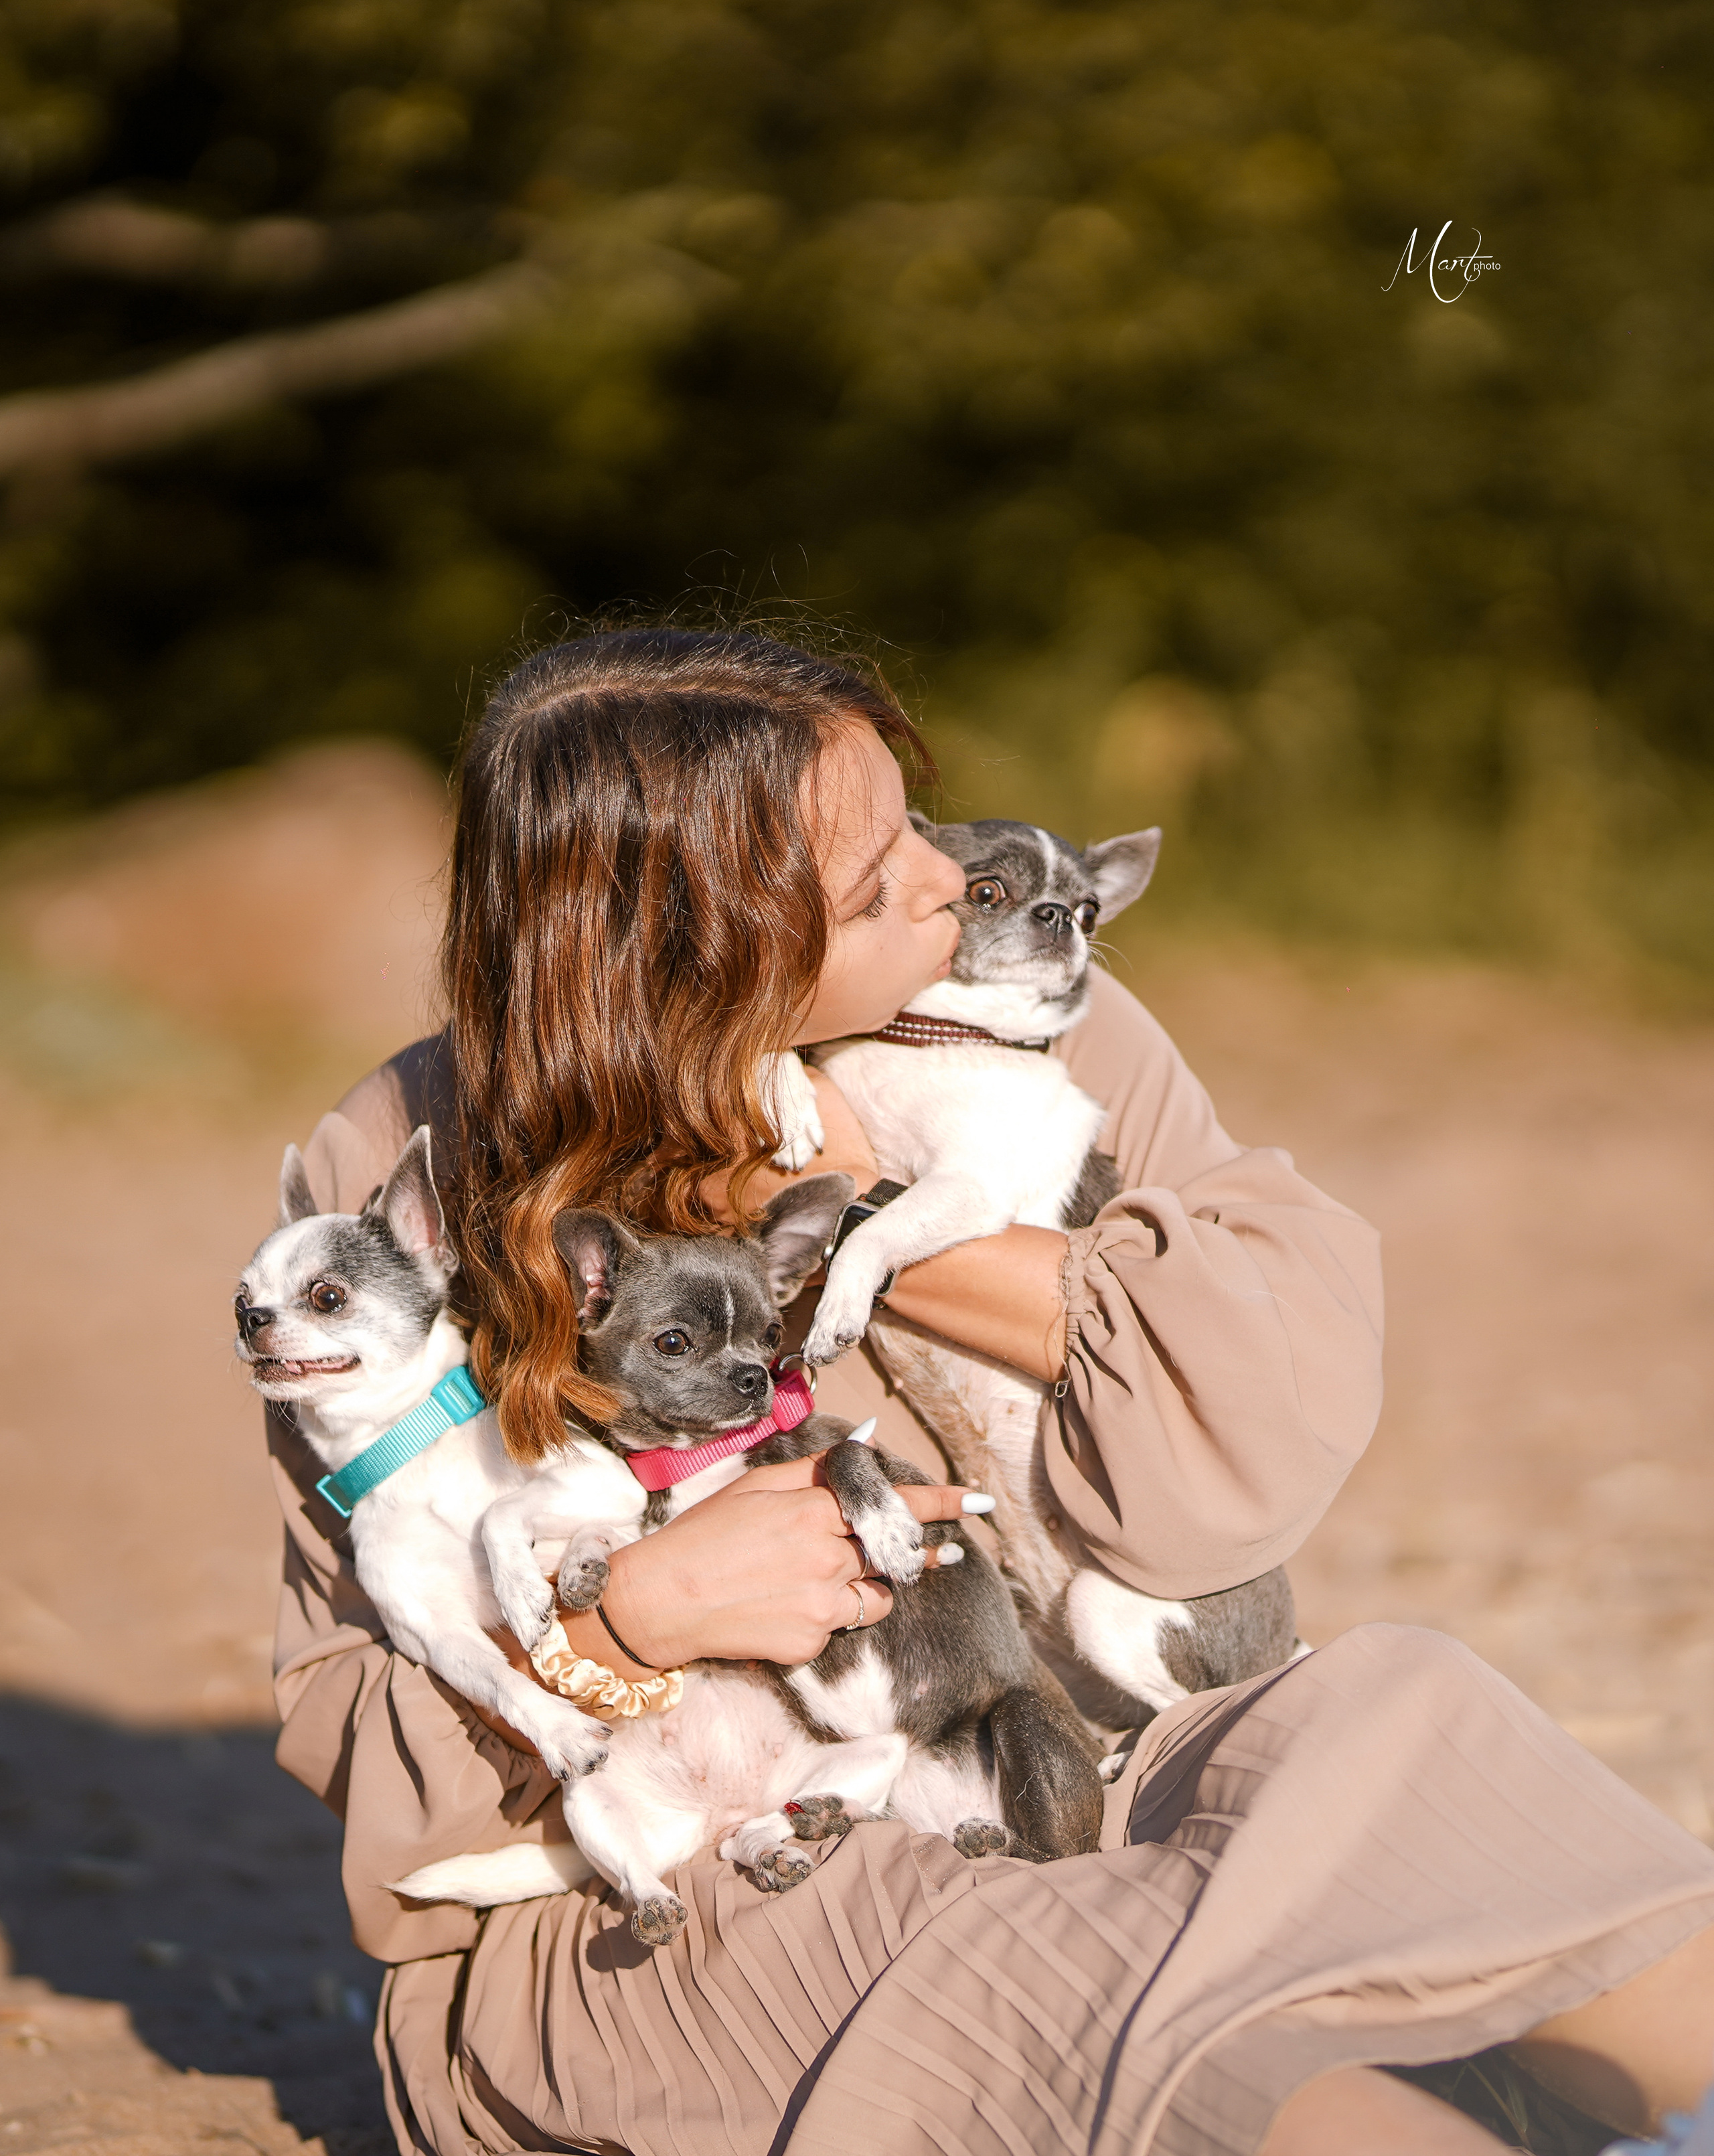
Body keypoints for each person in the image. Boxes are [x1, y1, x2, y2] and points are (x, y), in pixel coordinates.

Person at [267, 628, 1714, 2156]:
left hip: (1067, 1750)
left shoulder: (1033, 1013)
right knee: (1125, 2014)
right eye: (870, 886)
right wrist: (637, 1617)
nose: (946, 883)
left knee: (1401, 1724)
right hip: (705, 1866)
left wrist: (869, 1203)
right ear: (692, 957)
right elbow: (368, 1745)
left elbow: (1241, 1464)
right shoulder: (408, 1175)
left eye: (919, 827)